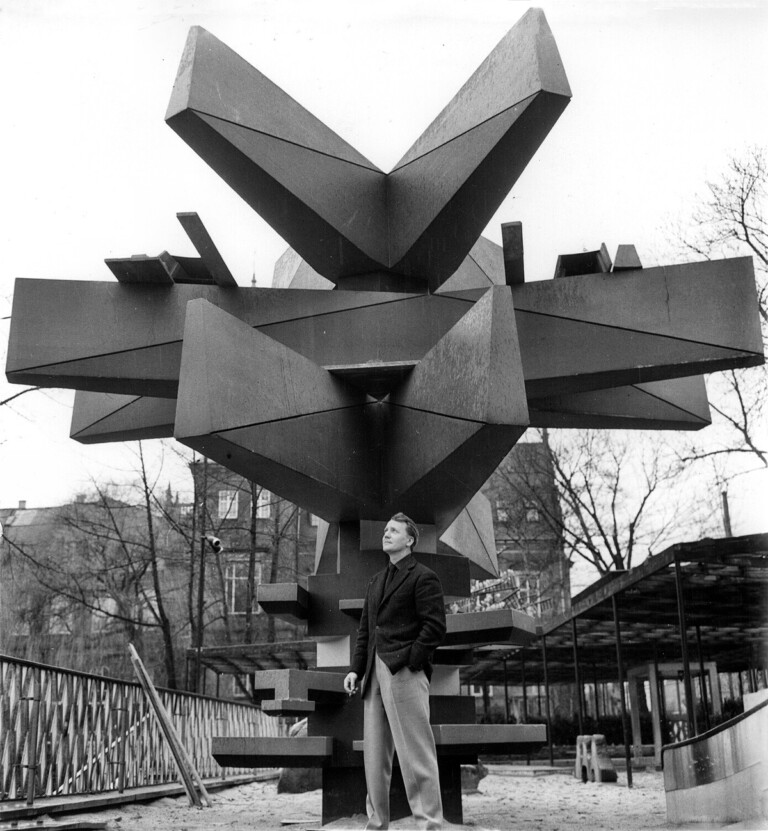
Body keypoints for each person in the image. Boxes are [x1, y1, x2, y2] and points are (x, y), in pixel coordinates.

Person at [344, 513, 446, 830]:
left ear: (410, 539)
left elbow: (435, 626)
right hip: (373, 673)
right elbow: (366, 632)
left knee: (416, 754)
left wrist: (411, 661)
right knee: (374, 758)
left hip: (403, 671)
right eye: (385, 530)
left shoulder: (423, 576)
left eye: (394, 530)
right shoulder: (376, 581)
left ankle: (429, 824)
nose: (386, 534)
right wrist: (355, 670)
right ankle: (376, 824)